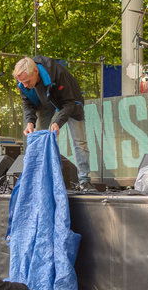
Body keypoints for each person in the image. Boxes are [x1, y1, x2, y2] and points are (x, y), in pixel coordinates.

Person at [13, 55, 95, 192]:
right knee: (39, 140)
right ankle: (41, 181)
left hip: (70, 102)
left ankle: (84, 181)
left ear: (36, 72)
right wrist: (30, 122)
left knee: (80, 142)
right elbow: (27, 103)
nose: (25, 85)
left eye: (27, 82)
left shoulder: (57, 73)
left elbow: (69, 103)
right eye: (22, 83)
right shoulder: (22, 80)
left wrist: (57, 122)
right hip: (45, 104)